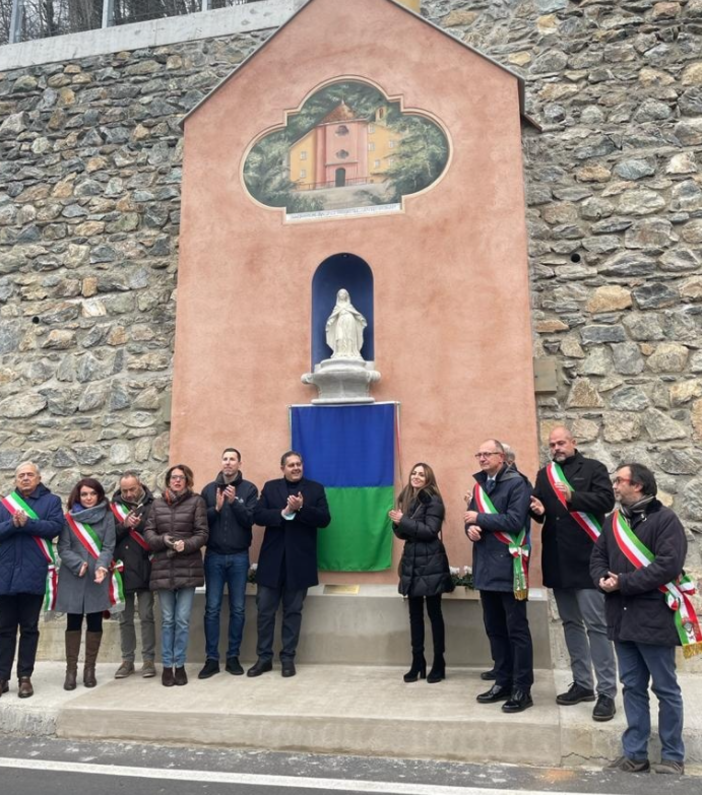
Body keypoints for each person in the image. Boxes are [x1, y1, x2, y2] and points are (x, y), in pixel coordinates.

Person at [592, 463, 699, 776]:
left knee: (665, 689)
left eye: (619, 480)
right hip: (621, 618)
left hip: (653, 618)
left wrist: (623, 582)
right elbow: (597, 557)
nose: (614, 485)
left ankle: (673, 757)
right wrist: (601, 579)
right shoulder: (612, 522)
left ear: (637, 485)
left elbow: (667, 566)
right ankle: (635, 755)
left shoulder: (665, 520)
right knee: (632, 687)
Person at [530, 426, 617, 722]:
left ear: (573, 442)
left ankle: (607, 692)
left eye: (561, 443)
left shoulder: (593, 468)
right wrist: (537, 510)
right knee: (570, 623)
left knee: (597, 626)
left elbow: (606, 502)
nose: (556, 448)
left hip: (588, 560)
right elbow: (540, 510)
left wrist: (574, 496)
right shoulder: (545, 474)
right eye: (552, 444)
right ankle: (582, 683)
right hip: (558, 560)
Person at [465, 439, 534, 713]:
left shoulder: (518, 484)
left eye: (487, 454)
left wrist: (478, 519)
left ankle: (522, 688)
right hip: (485, 566)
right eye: (479, 454)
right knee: (494, 628)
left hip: (509, 567)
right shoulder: (480, 485)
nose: (482, 458)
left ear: (501, 457)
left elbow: (515, 521)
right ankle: (503, 681)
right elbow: (470, 519)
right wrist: (470, 530)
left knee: (516, 630)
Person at [248, 451, 330, 678]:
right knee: (265, 612)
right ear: (282, 468)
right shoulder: (271, 487)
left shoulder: (315, 489)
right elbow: (258, 516)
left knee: (293, 612)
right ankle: (264, 659)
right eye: (291, 465)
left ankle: (287, 659)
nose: (296, 468)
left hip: (299, 563)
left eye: (298, 464)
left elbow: (324, 520)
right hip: (272, 562)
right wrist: (284, 512)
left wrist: (302, 508)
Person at [0, 462, 63, 699]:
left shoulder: (51, 501)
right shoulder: (4, 504)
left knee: (29, 628)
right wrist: (12, 524)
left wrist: (28, 523)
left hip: (33, 573)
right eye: (21, 475)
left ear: (38, 478)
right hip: (5, 575)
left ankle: (24, 678)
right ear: (15, 479)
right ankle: (2, 677)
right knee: (4, 629)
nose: (25, 478)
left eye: (29, 475)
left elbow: (55, 527)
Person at [144, 464, 208, 687]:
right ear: (168, 481)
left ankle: (179, 665)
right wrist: (163, 540)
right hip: (163, 568)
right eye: (173, 477)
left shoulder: (197, 502)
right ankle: (167, 666)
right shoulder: (157, 504)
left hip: (188, 567)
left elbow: (202, 533)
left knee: (181, 620)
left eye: (181, 477)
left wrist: (186, 544)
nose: (177, 481)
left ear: (187, 481)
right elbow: (148, 533)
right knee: (167, 620)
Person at [389, 463, 452, 684]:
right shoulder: (408, 498)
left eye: (421, 474)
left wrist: (403, 521)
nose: (416, 477)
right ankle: (417, 662)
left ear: (428, 479)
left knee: (434, 613)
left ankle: (439, 663)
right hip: (412, 561)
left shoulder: (432, 499)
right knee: (414, 614)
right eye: (414, 473)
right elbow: (404, 533)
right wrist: (397, 524)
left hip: (431, 561)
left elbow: (430, 531)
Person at [199, 448, 258, 679]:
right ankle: (211, 659)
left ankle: (233, 657)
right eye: (225, 459)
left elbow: (251, 520)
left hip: (239, 557)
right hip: (213, 556)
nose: (228, 462)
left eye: (232, 459)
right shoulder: (208, 490)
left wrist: (234, 503)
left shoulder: (249, 489)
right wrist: (216, 508)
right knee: (212, 608)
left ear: (239, 463)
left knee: (238, 608)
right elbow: (200, 521)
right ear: (221, 462)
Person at [56, 477, 115, 690]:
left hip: (97, 576)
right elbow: (63, 548)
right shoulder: (68, 519)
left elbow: (108, 546)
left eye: (92, 493)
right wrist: (77, 564)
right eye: (84, 494)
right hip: (74, 575)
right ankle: (70, 671)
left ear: (99, 495)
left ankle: (90, 669)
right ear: (78, 496)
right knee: (73, 622)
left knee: (95, 622)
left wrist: (101, 566)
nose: (88, 498)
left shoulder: (108, 517)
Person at [112, 471, 156, 680]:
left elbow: (157, 533)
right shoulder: (112, 508)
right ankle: (127, 660)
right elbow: (107, 537)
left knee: (147, 616)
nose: (129, 494)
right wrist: (124, 526)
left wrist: (138, 525)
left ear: (140, 486)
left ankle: (148, 660)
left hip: (145, 568)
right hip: (122, 569)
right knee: (125, 618)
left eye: (132, 489)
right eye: (125, 490)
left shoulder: (153, 506)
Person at [325, 288, 367, 360]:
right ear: (338, 295)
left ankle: (350, 353)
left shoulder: (349, 306)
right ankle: (339, 353)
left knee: (350, 336)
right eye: (341, 293)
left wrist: (361, 319)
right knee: (339, 337)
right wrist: (329, 323)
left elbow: (356, 314)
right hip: (340, 322)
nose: (342, 295)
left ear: (347, 295)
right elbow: (333, 316)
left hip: (350, 321)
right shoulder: (337, 307)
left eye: (344, 293)